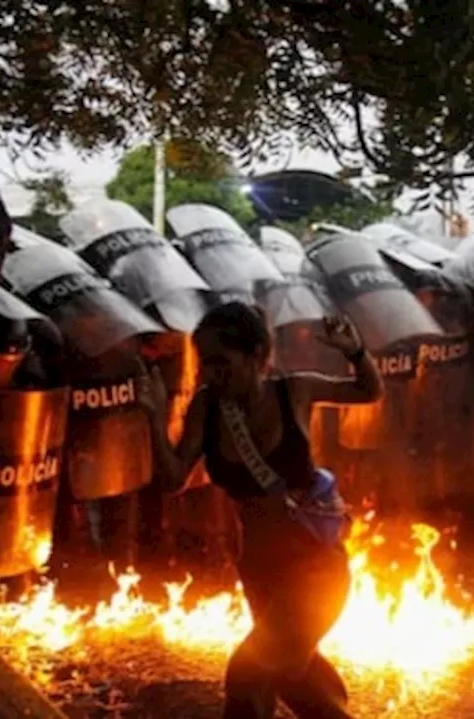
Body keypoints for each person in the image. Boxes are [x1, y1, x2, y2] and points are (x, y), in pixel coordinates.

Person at [141, 303, 382, 719]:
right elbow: (174, 478)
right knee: (295, 676)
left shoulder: (296, 391)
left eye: (222, 362)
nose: (210, 374)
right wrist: (153, 416)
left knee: (249, 671)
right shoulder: (207, 407)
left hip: (315, 566)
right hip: (259, 566)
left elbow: (367, 392)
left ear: (256, 355)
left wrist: (356, 352)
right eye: (205, 363)